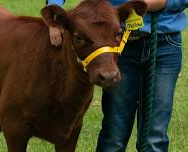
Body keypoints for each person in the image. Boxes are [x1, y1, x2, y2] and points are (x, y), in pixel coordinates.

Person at [46, 0, 188, 151]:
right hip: (114, 43)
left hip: (164, 43)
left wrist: (165, 2)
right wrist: (54, 16)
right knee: (114, 133)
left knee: (155, 137)